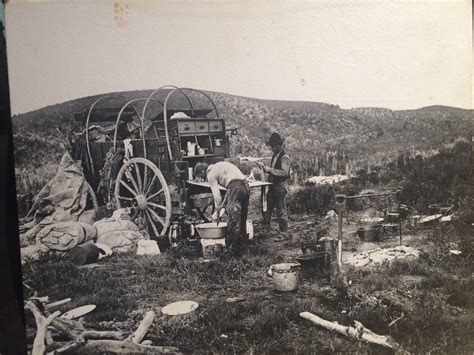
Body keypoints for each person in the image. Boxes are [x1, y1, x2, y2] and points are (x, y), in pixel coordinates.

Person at [194, 161, 250, 255]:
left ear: (203, 172)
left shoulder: (210, 174)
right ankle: (243, 247)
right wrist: (221, 208)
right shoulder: (219, 166)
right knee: (242, 218)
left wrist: (217, 213)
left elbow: (217, 198)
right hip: (245, 186)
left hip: (235, 186)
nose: (203, 179)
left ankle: (232, 251)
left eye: (201, 176)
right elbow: (227, 195)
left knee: (233, 220)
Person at [257, 133, 291, 236]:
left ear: (279, 145)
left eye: (274, 145)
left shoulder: (284, 157)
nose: (272, 148)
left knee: (281, 210)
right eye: (271, 146)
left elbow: (284, 173)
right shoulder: (274, 156)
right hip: (272, 186)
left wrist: (270, 170)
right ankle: (266, 230)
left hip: (280, 186)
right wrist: (265, 169)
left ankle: (284, 233)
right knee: (267, 208)